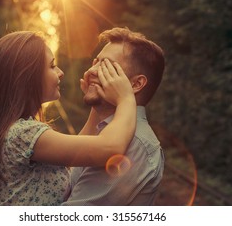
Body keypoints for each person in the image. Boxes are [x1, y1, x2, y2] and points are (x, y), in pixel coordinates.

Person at [0, 31, 136, 206]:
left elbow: (76, 153)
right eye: (52, 66)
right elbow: (109, 149)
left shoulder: (15, 131)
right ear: (27, 76)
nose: (60, 72)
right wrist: (126, 98)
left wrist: (96, 103)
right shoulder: (23, 134)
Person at [62, 27, 165, 205]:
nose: (91, 71)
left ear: (136, 84)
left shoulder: (134, 144)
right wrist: (96, 100)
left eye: (106, 66)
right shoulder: (105, 130)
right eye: (95, 62)